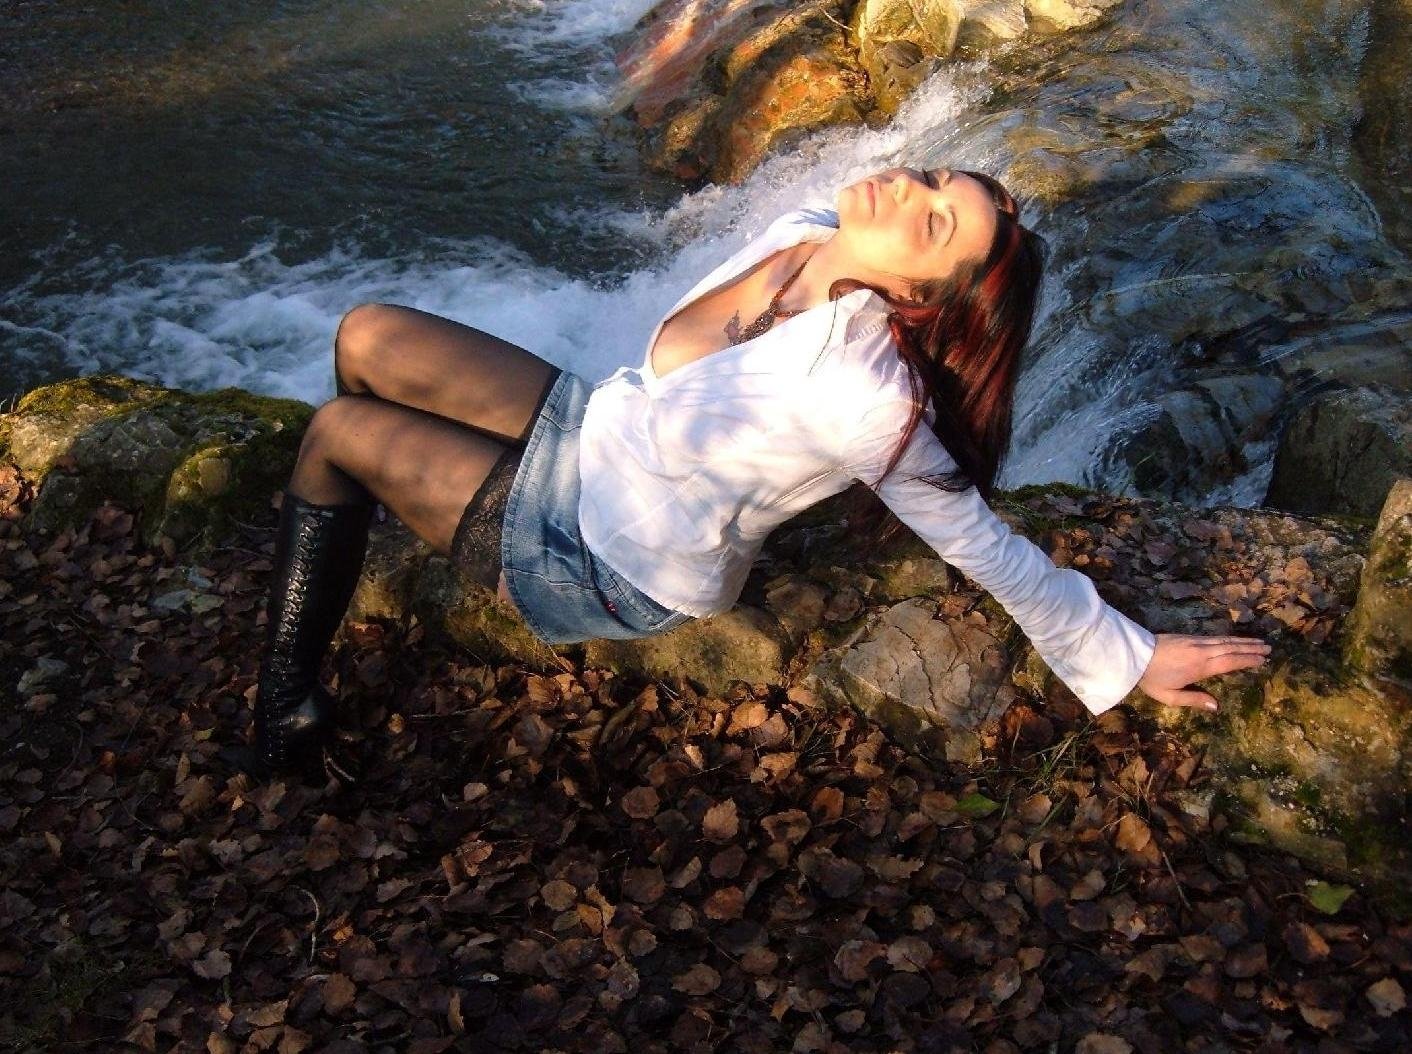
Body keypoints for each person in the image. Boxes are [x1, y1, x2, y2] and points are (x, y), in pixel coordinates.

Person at [229, 166, 1272, 784]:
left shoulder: (867, 394)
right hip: (597, 435)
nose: (906, 192)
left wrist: (1126, 652)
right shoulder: (809, 232)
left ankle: (284, 711)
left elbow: (984, 547)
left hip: (603, 554)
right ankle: (355, 528)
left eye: (933, 223)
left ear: (922, 295)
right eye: (928, 180)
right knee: (365, 333)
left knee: (335, 431)